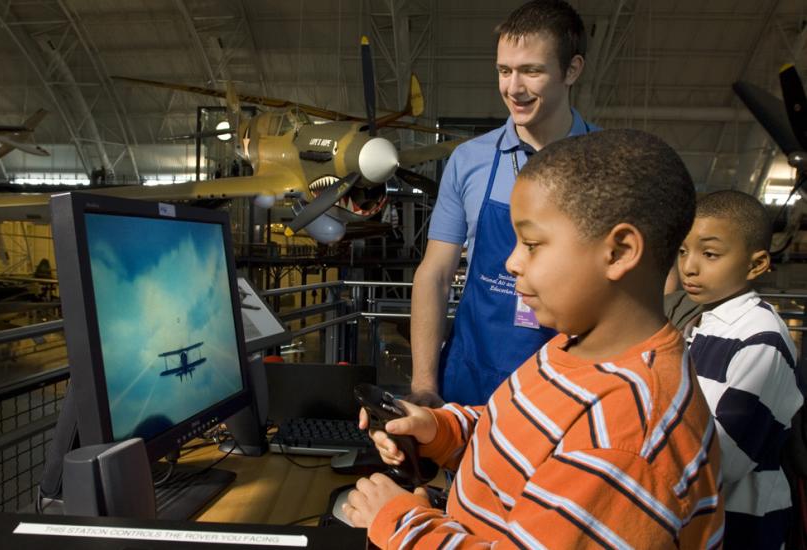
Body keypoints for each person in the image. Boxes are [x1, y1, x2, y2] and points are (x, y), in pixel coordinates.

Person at [344, 129, 724, 548]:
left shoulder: (626, 439)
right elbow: (512, 439)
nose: (510, 262)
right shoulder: (571, 347)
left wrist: (399, 521)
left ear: (618, 252)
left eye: (532, 244)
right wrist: (439, 431)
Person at [410, 0, 599, 407]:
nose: (513, 88)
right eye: (504, 70)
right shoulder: (469, 160)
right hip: (472, 375)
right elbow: (435, 275)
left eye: (531, 70)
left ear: (572, 70)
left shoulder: (606, 161)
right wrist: (424, 384)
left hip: (569, 384)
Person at [678, 189, 805, 548]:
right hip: (705, 520)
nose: (689, 266)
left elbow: (727, 459)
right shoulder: (701, 326)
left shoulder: (761, 338)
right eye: (683, 251)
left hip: (744, 527)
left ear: (756, 264)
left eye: (710, 254)